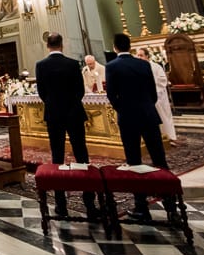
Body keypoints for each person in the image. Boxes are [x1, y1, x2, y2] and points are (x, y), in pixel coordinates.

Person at [35, 33, 100, 220]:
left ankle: (60, 204)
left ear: (48, 46)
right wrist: (70, 104)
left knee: (57, 157)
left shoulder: (41, 65)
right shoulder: (72, 64)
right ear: (62, 45)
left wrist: (53, 104)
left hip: (54, 114)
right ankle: (89, 203)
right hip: (73, 113)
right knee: (81, 154)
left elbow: (41, 92)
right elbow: (80, 90)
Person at [106, 33, 169, 222]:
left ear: (115, 47)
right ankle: (170, 201)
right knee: (159, 157)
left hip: (128, 118)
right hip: (149, 115)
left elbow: (111, 94)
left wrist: (122, 109)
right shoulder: (143, 64)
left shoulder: (112, 66)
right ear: (130, 46)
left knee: (134, 161)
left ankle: (141, 206)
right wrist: (146, 106)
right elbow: (152, 92)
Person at [136, 48, 177, 146]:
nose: (139, 57)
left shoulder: (155, 67)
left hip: (159, 96)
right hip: (145, 98)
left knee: (163, 116)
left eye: (141, 55)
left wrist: (152, 87)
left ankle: (169, 137)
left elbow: (163, 80)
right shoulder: (137, 67)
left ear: (147, 56)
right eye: (137, 55)